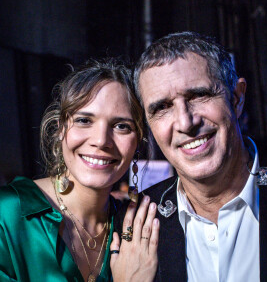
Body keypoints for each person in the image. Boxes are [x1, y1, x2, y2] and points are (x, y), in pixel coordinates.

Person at [114, 32, 267, 281]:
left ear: (236, 98)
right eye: (162, 107)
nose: (185, 122)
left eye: (199, 95)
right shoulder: (133, 227)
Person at [0, 59, 159, 282]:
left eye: (121, 126)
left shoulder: (134, 229)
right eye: (84, 120)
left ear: (138, 142)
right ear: (59, 129)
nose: (101, 140)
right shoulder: (7, 215)